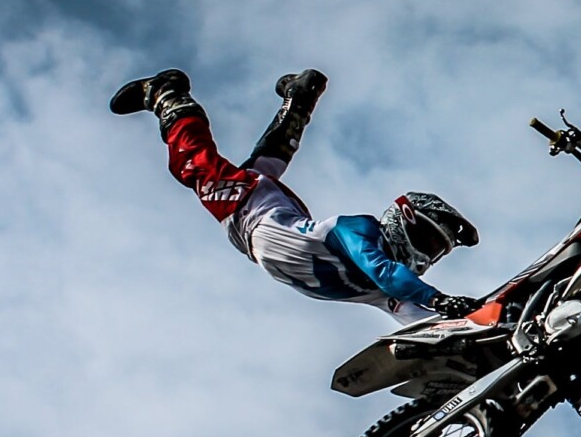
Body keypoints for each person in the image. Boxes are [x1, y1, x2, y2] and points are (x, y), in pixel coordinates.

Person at [110, 68, 483, 324]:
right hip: (255, 212)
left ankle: (300, 97)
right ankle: (165, 91)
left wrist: (471, 323)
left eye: (438, 249)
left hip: (265, 221)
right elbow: (387, 272)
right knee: (195, 166)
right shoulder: (360, 231)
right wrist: (438, 298)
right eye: (430, 240)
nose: (427, 254)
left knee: (264, 165)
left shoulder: (375, 289)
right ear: (404, 220)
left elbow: (411, 315)